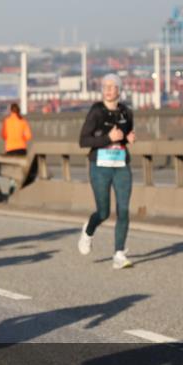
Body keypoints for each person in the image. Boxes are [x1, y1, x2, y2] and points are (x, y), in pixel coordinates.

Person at [77, 73, 135, 269]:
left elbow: (125, 135)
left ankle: (119, 253)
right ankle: (88, 230)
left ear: (119, 90)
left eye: (113, 87)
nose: (109, 90)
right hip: (100, 167)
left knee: (124, 210)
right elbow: (83, 141)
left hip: (121, 166)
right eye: (106, 87)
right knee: (103, 212)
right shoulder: (96, 112)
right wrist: (108, 138)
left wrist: (129, 139)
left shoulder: (126, 112)